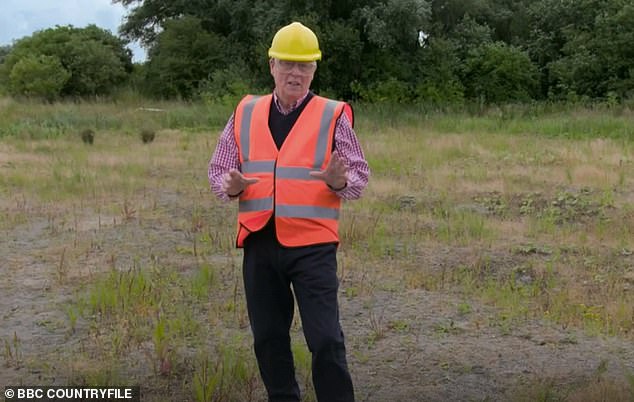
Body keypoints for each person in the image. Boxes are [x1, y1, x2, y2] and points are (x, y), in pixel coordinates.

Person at [207, 21, 369, 402]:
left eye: (305, 66)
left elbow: (359, 177)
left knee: (326, 339)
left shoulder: (333, 115)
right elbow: (219, 169)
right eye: (288, 64)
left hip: (313, 246)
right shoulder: (245, 111)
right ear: (272, 66)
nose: (295, 73)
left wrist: (338, 181)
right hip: (260, 243)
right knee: (268, 338)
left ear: (314, 70)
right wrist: (228, 187)